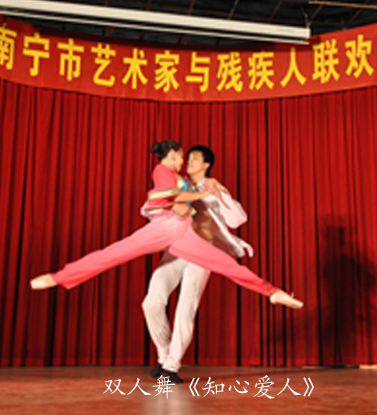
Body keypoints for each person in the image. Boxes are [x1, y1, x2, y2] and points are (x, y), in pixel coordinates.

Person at [30, 140, 303, 311]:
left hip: (182, 231)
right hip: (163, 228)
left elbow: (195, 201)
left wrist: (214, 191)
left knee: (227, 265)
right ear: (170, 156)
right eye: (182, 156)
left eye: (188, 158)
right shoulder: (163, 171)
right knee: (112, 254)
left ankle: (272, 291)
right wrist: (198, 194)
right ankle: (60, 277)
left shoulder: (184, 179)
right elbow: (171, 197)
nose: (184, 161)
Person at [142, 145, 258, 384]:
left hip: (201, 253)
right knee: (151, 303)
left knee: (186, 307)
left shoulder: (213, 187)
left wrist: (220, 192)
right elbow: (151, 206)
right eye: (189, 157)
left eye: (195, 158)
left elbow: (237, 220)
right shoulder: (177, 183)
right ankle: (164, 355)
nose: (189, 161)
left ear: (206, 164)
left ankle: (172, 366)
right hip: (176, 250)